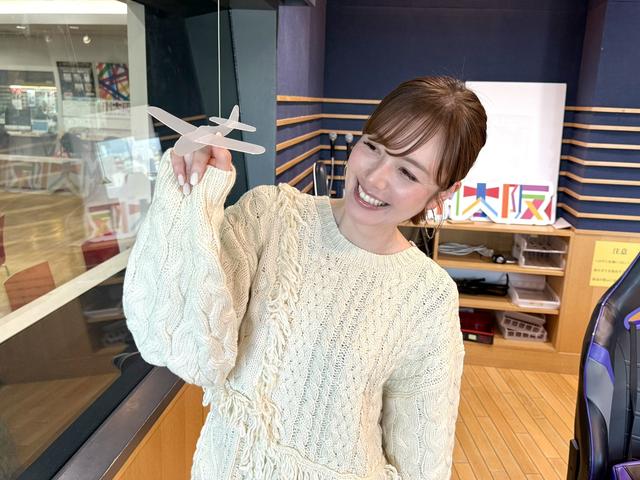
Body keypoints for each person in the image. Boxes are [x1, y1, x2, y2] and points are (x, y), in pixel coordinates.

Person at [123, 76, 487, 479]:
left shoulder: (427, 296)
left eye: (408, 173)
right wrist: (193, 196)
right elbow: (189, 350)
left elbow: (422, 458)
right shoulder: (272, 216)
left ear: (443, 192)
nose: (376, 177)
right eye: (373, 146)